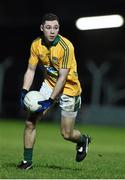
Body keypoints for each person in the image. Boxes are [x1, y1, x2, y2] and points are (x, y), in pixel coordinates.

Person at [17, 13, 91, 170]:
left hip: (69, 90)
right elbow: (31, 70)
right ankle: (27, 161)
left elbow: (63, 77)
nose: (52, 31)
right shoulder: (36, 45)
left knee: (66, 134)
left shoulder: (66, 46)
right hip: (49, 84)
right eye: (49, 27)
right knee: (30, 122)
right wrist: (24, 90)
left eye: (56, 28)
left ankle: (82, 140)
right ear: (42, 28)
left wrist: (50, 100)